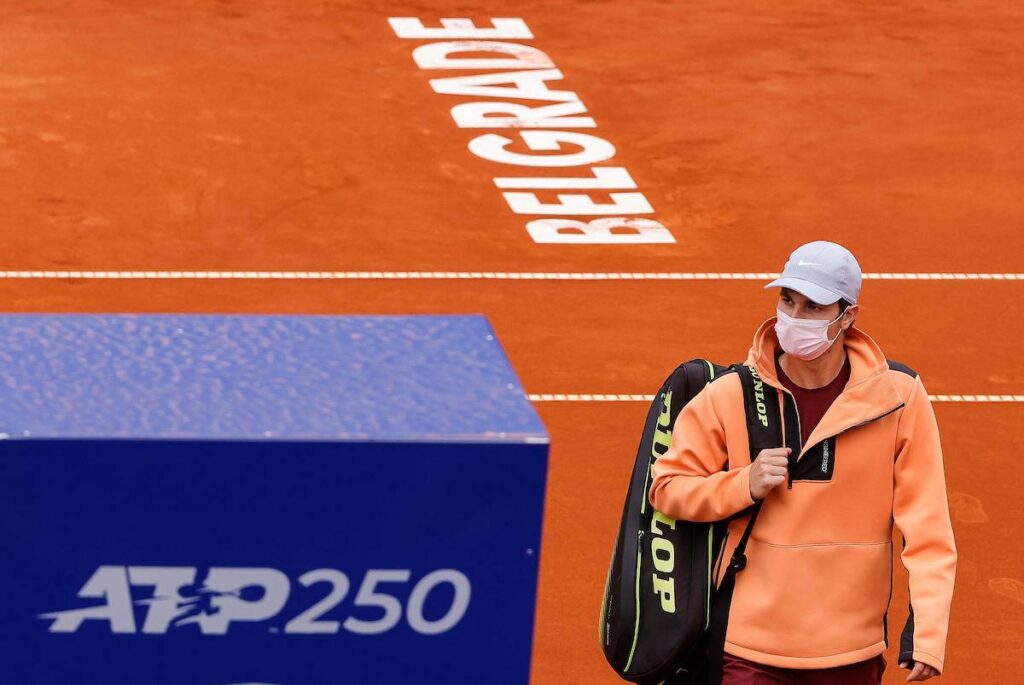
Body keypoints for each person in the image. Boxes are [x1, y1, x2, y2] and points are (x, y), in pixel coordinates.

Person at [648, 240, 957, 684]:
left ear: (847, 317)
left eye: (814, 306)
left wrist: (928, 632)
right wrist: (742, 484)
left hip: (851, 648)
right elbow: (667, 487)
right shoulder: (731, 393)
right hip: (747, 647)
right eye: (787, 300)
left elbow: (929, 529)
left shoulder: (898, 397)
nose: (794, 317)